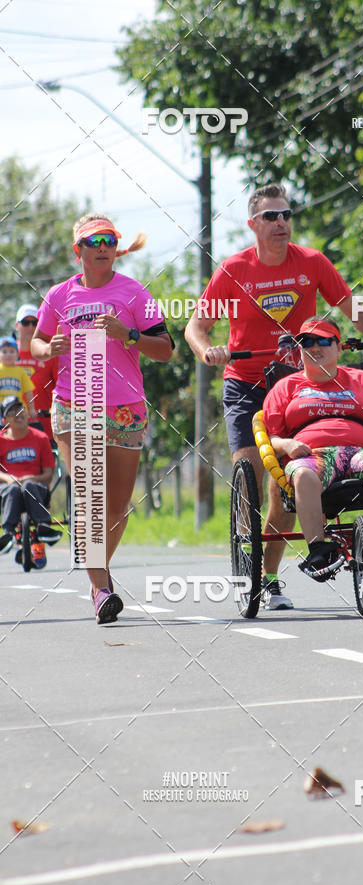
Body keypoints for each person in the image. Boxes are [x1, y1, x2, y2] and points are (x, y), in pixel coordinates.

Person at [185, 183, 363, 608]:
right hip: (245, 381)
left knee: (284, 484)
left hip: (294, 381)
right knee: (252, 473)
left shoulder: (312, 262)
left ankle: (269, 576)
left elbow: (349, 305)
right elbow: (195, 328)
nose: (281, 222)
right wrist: (206, 349)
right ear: (253, 224)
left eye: (286, 215)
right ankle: (253, 556)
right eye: (271, 216)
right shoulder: (233, 270)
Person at [30, 213, 173, 624]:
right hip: (74, 406)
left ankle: (97, 575)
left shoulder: (134, 292)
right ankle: (102, 587)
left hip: (126, 408)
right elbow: (38, 343)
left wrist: (126, 335)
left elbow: (165, 348)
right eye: (94, 241)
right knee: (90, 492)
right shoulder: (59, 296)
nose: (103, 246)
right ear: (79, 251)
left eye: (110, 239)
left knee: (119, 506)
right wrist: (47, 348)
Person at [262, 318, 363, 580]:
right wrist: (287, 444)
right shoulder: (286, 387)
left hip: (358, 454)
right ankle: (318, 550)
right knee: (303, 475)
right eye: (306, 342)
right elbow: (271, 439)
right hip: (312, 456)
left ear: (338, 348)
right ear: (299, 350)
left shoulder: (362, 379)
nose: (314, 347)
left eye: (323, 341)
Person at [0, 396, 61, 568]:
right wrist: (9, 478)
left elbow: (48, 474)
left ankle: (43, 526)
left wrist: (29, 479)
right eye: (12, 412)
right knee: (13, 489)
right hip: (8, 488)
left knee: (27, 486)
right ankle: (9, 533)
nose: (18, 414)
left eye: (20, 410)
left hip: (36, 487)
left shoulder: (41, 438)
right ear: (5, 420)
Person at [14, 304, 58, 441]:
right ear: (17, 325)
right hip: (10, 428)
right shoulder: (6, 353)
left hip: (44, 428)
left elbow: (61, 390)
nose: (31, 328)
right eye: (25, 323)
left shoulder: (49, 353)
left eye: (35, 323)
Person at [0, 335, 35, 419]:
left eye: (12, 351)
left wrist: (31, 409)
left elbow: (28, 392)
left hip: (17, 409)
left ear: (17, 355)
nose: (8, 354)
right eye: (4, 352)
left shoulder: (21, 371)